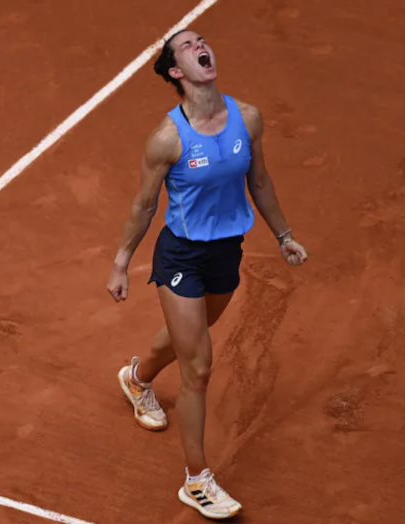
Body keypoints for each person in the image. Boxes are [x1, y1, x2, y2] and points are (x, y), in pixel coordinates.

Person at [106, 29, 308, 520]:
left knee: (184, 342)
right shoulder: (168, 139)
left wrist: (284, 237)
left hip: (226, 254)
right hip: (181, 257)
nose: (202, 46)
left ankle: (137, 379)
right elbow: (144, 204)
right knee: (198, 367)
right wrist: (121, 261)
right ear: (177, 71)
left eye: (203, 40)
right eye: (188, 46)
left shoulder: (248, 118)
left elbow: (258, 181)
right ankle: (197, 480)